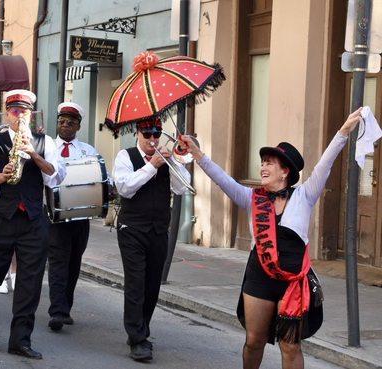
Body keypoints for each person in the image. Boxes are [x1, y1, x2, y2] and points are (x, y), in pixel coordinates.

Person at [177, 109, 363, 369]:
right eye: (262, 162)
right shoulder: (252, 198)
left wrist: (343, 132)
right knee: (254, 340)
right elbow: (220, 179)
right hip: (260, 276)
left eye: (269, 163)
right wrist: (197, 154)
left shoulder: (305, 195)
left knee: (290, 346)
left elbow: (326, 163)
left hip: (293, 281)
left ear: (285, 171)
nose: (263, 167)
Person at [0, 89, 65, 359]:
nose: (20, 115)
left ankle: (20, 340)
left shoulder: (45, 142)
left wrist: (35, 155)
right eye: (15, 111)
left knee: (30, 283)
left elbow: (57, 176)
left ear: (31, 114)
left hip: (33, 219)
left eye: (24, 111)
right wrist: (1, 175)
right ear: (7, 113)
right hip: (1, 216)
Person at [113, 118, 191, 362]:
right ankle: (137, 339)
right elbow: (125, 188)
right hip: (132, 229)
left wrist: (174, 160)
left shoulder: (165, 159)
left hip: (158, 230)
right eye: (147, 135)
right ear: (138, 133)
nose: (153, 140)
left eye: (156, 134)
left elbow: (182, 188)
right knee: (135, 283)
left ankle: (141, 328)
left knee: (152, 285)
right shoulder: (125, 157)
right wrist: (151, 166)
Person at [47, 102, 99, 332]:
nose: (65, 126)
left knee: (74, 262)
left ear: (78, 125)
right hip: (54, 216)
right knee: (58, 261)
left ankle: (65, 306)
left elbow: (99, 178)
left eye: (70, 122)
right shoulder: (48, 148)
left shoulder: (88, 151)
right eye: (62, 121)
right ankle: (56, 311)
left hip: (81, 216)